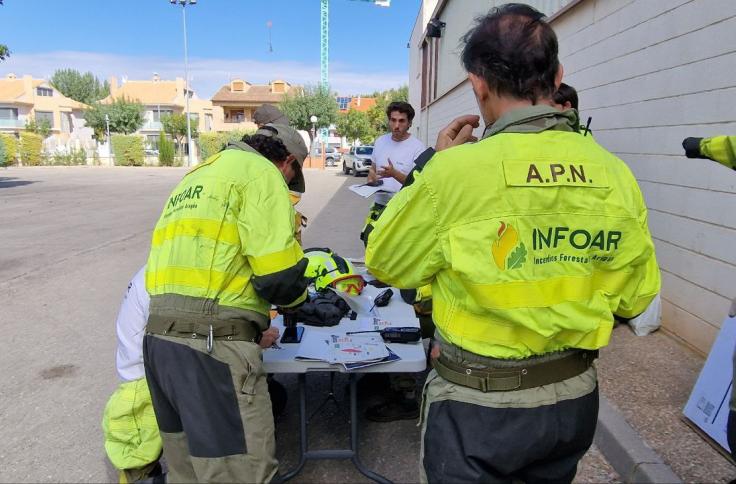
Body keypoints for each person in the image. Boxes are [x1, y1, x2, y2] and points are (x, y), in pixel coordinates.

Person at [365, 3, 660, 482]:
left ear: (478, 83)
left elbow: (387, 260)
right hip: (572, 402)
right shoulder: (612, 171)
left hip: (479, 407)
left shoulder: (456, 172)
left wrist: (432, 165)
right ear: (558, 73)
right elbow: (636, 297)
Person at [143, 124, 309, 483]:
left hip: (159, 342)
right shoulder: (263, 175)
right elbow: (277, 275)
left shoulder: (200, 173)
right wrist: (302, 301)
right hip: (212, 347)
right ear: (288, 163)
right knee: (239, 471)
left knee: (188, 468)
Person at [102, 267, 164, 484]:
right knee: (140, 459)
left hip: (136, 374)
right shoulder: (160, 280)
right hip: (145, 383)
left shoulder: (150, 270)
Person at [360, 101, 427, 245]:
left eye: (402, 121)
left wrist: (394, 174)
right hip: (378, 206)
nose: (396, 125)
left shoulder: (418, 148)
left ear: (409, 123)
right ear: (389, 120)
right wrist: (370, 179)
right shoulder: (380, 141)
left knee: (393, 253)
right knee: (370, 245)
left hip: (402, 210)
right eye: (393, 120)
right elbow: (373, 168)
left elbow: (420, 184)